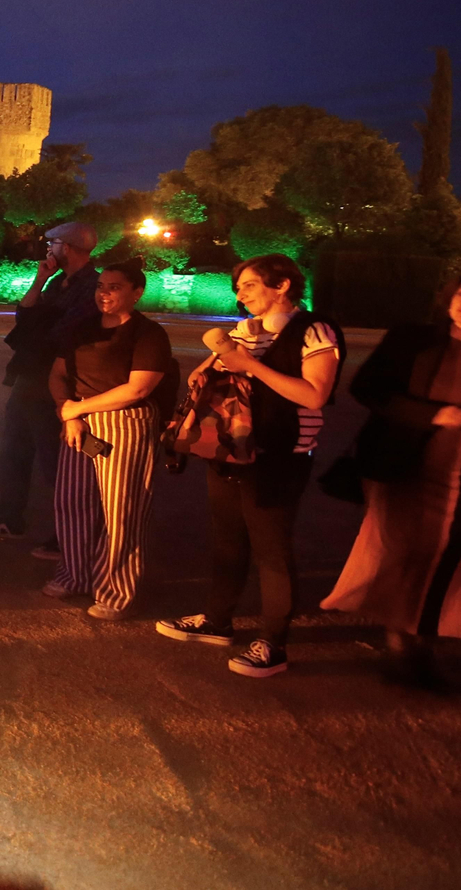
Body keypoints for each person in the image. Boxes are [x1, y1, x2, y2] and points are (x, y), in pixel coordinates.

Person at [156, 254, 341, 678]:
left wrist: (251, 365)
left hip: (279, 455)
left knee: (272, 551)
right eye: (238, 287)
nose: (241, 294)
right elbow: (204, 376)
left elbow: (315, 395)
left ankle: (274, 642)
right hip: (229, 449)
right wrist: (215, 362)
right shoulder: (245, 330)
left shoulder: (314, 330)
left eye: (251, 285)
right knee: (228, 542)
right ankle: (217, 621)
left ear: (283, 285)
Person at [322, 266, 461, 689]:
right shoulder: (412, 339)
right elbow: (368, 388)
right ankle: (401, 643)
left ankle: (421, 641)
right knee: (401, 553)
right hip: (401, 469)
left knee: (446, 559)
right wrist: (433, 414)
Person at [45, 262, 172, 619]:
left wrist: (76, 409)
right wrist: (68, 413)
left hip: (124, 422)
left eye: (115, 287)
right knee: (73, 502)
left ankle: (116, 590)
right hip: (79, 422)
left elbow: (139, 389)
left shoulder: (148, 334)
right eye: (101, 286)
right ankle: (75, 575)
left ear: (137, 292)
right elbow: (57, 374)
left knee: (122, 510)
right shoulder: (81, 328)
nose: (104, 293)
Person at [0, 221, 101, 544]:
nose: (49, 249)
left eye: (54, 244)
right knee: (14, 450)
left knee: (56, 458)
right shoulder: (57, 282)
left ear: (69, 247)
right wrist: (39, 280)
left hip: (59, 380)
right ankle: (9, 517)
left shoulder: (92, 286)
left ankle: (68, 533)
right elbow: (24, 316)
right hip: (31, 375)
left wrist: (36, 325)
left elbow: (60, 333)